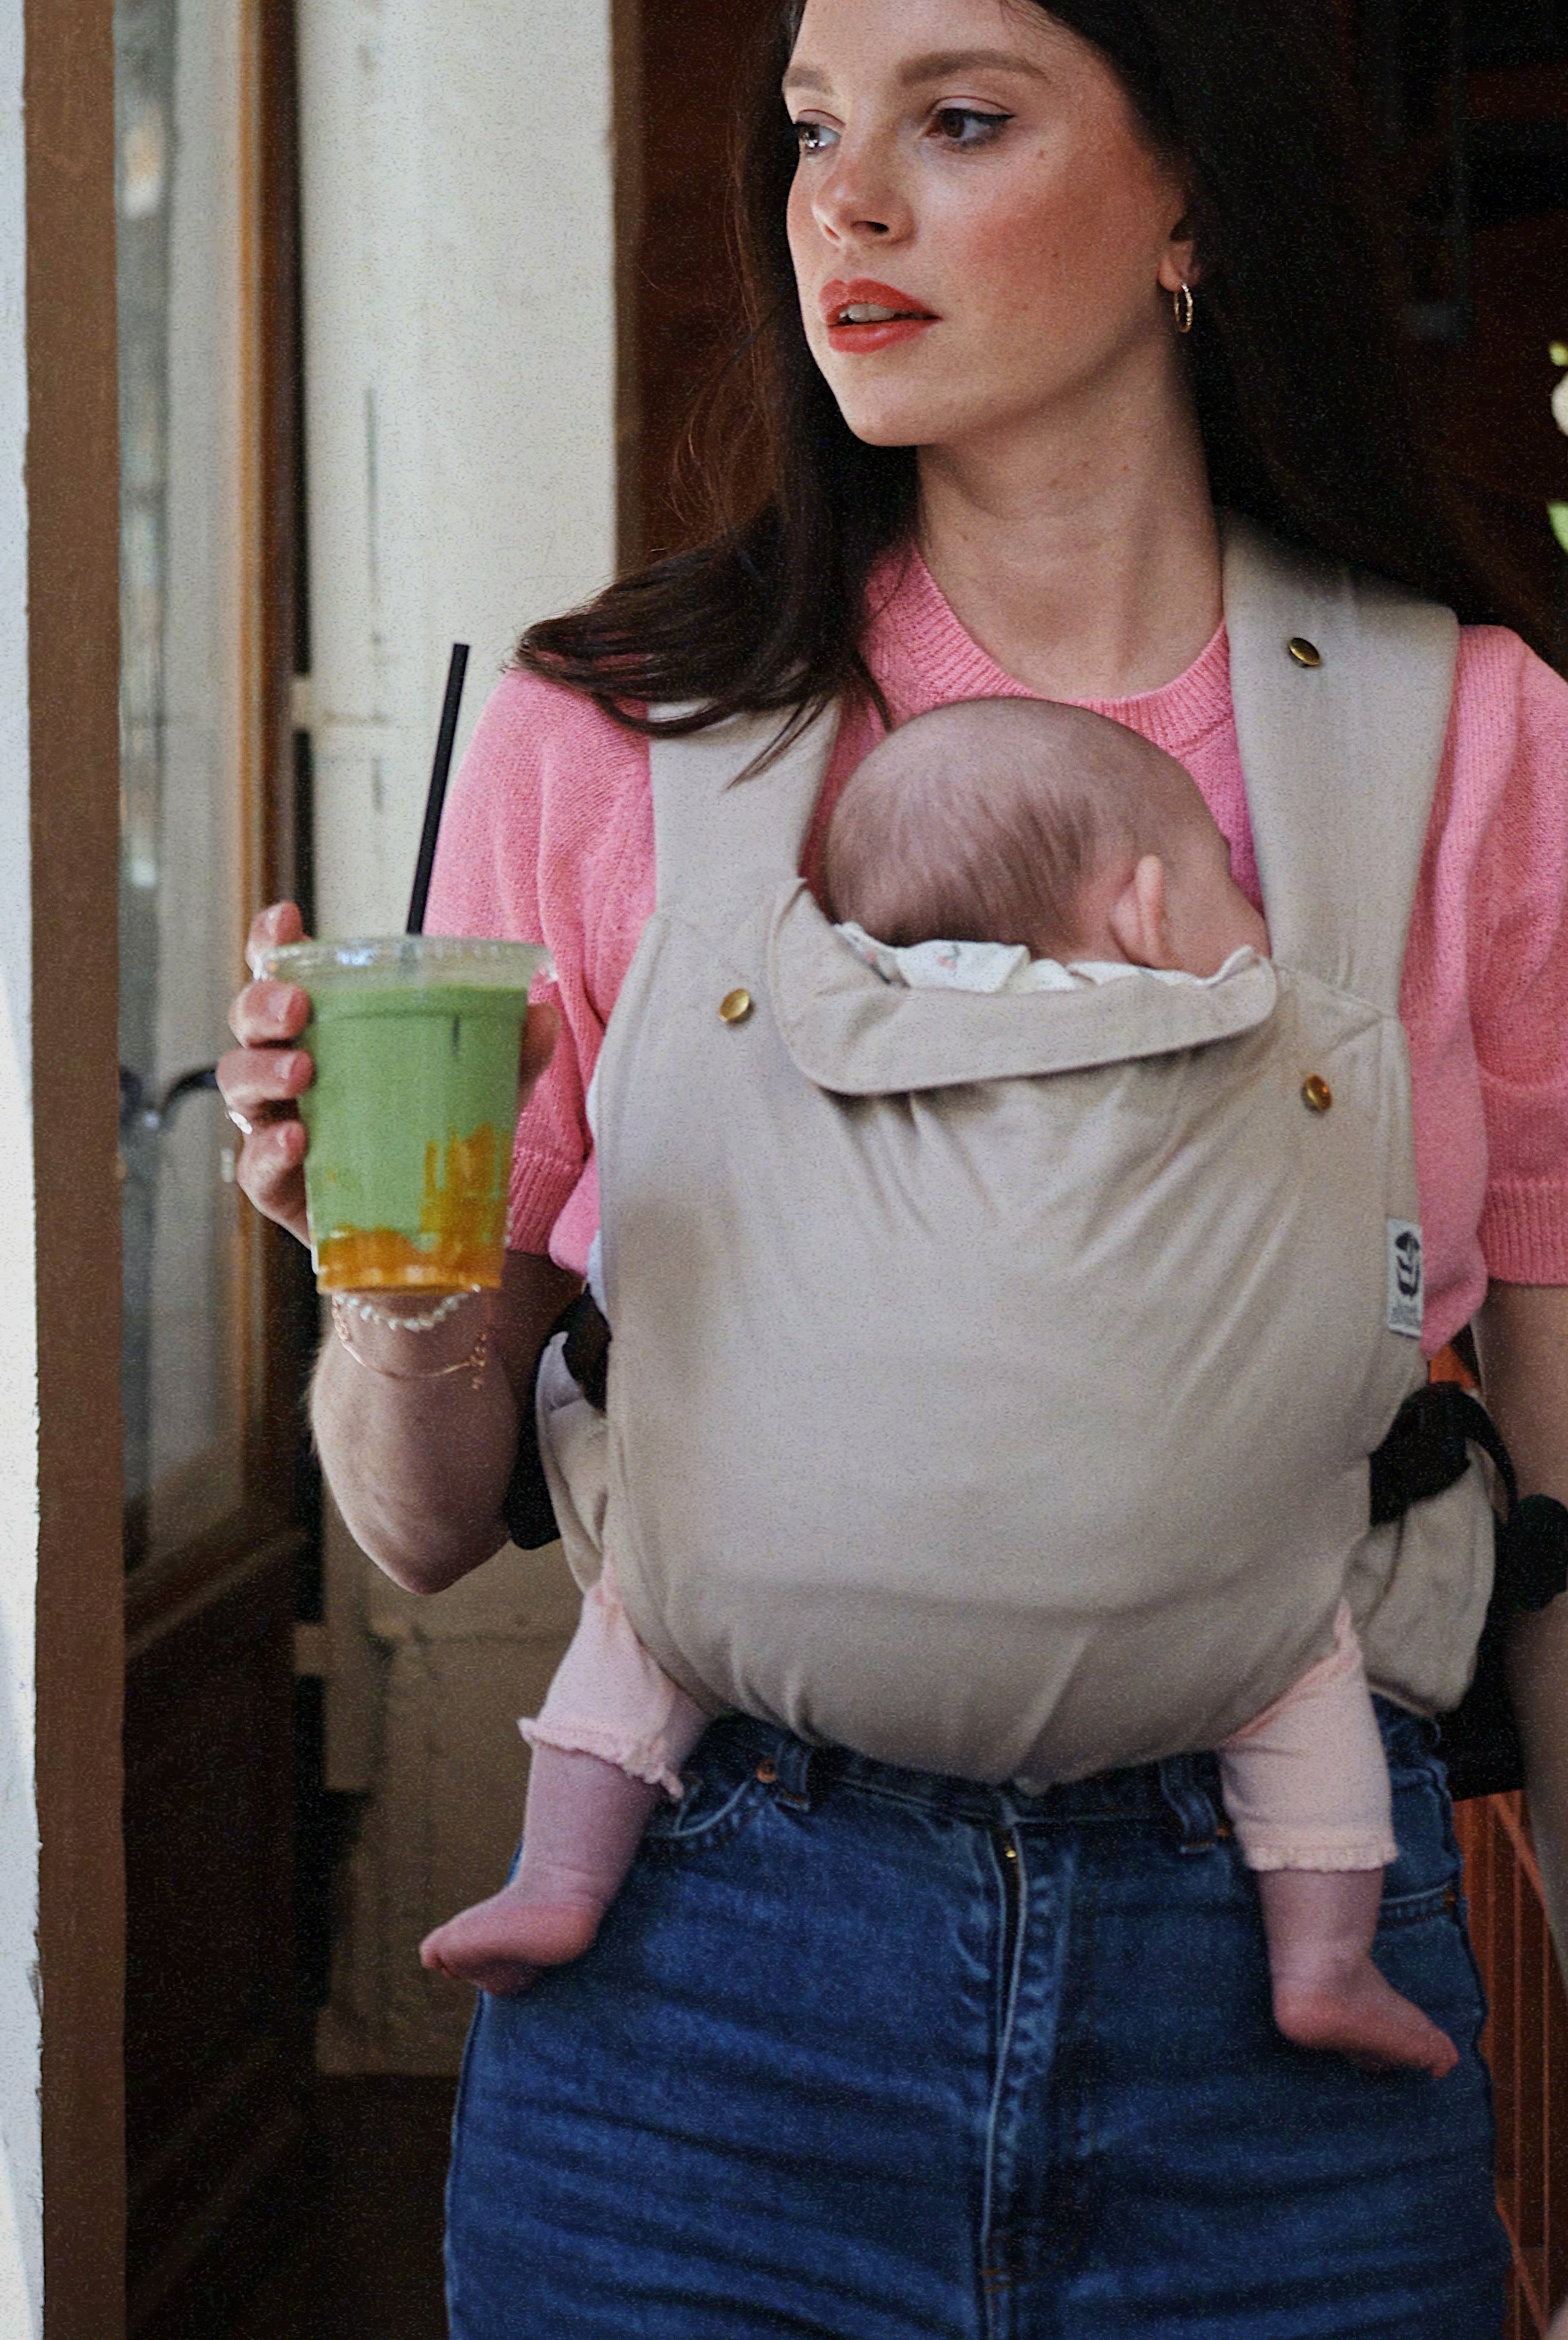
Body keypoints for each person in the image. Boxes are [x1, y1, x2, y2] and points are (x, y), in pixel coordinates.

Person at [224, 0, 1568, 2339]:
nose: (848, 205)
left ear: (1192, 205)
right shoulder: (616, 737)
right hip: (696, 2034)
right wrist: (377, 1277)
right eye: (813, 126)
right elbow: (421, 1517)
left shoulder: (1472, 753)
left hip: (1288, 2044)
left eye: (960, 117)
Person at [420, 694, 1455, 2082]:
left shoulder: (798, 1006)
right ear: (1148, 910)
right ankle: (1323, 1960)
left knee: (640, 1620)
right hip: (1199, 1684)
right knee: (1307, 1666)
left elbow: (609, 1287)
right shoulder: (1210, 997)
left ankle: (556, 1880)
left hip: (739, 1816)